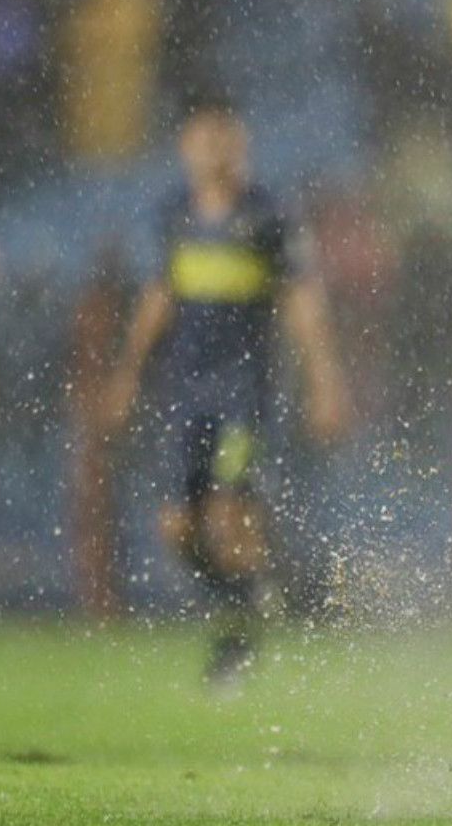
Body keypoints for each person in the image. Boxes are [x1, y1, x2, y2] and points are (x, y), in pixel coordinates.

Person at [101, 104, 352, 689]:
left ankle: (239, 637)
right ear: (185, 146)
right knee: (176, 528)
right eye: (204, 138)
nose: (215, 150)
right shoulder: (175, 216)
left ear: (241, 145)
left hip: (245, 394)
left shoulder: (268, 217)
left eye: (225, 138)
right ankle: (242, 598)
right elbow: (158, 297)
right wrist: (127, 374)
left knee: (230, 517)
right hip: (185, 394)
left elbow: (302, 301)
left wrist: (325, 382)